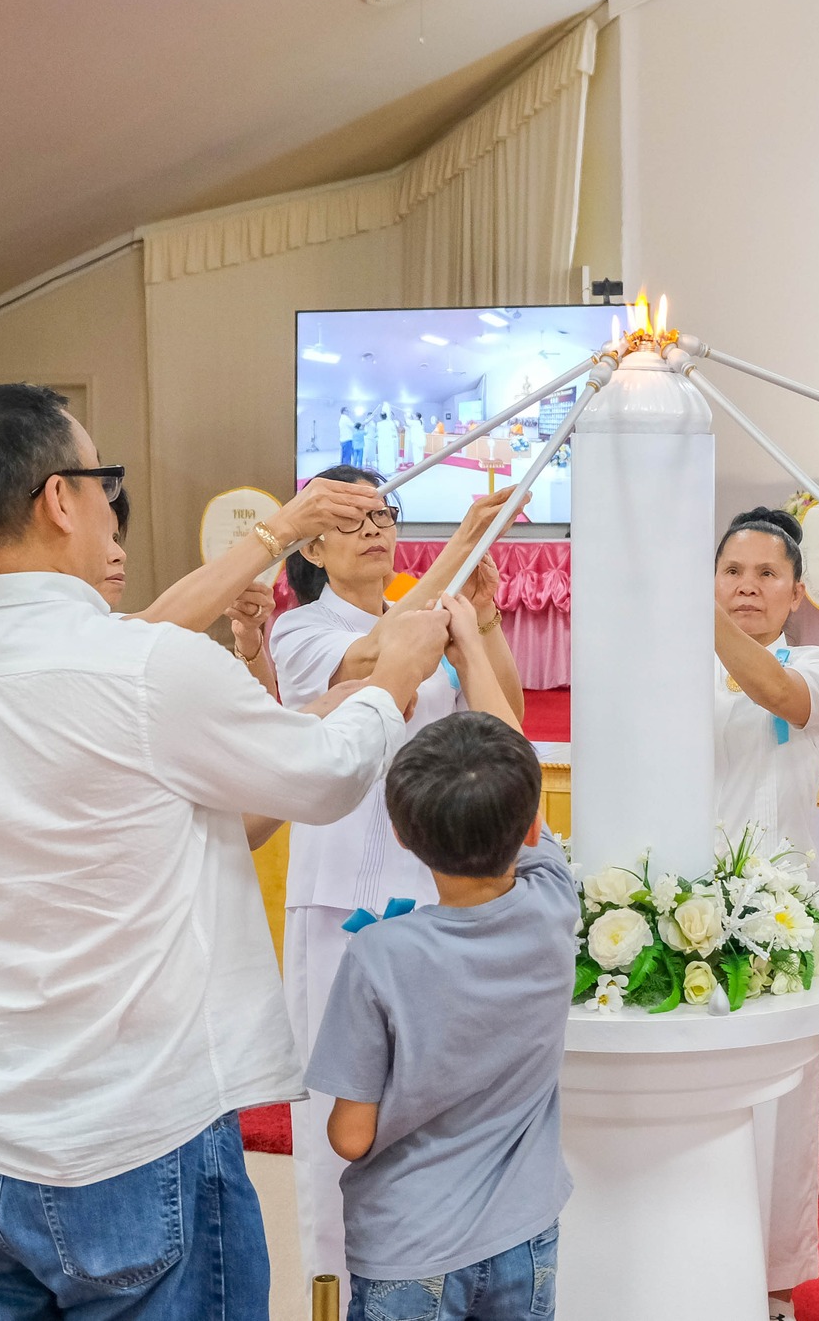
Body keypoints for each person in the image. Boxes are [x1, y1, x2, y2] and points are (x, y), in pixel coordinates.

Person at [0, 384, 453, 1321]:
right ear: (59, 499)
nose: (112, 510)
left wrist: (321, 661)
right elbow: (322, 779)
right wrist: (394, 674)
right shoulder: (144, 670)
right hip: (142, 1133)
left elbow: (134, 721)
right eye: (105, 482)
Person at [269, 464, 528, 1287]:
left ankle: (436, 1272)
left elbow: (504, 719)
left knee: (431, 1098)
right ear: (311, 542)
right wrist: (457, 551)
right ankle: (338, 1284)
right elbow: (377, 658)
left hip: (435, 895)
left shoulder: (433, 615)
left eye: (385, 513)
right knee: (338, 1109)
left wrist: (481, 623)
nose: (377, 528)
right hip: (338, 898)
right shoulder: (300, 632)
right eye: (352, 519)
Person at [307, 594, 574, 1321]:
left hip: (407, 1243)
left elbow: (352, 1134)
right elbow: (524, 780)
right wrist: (474, 652)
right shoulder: (553, 905)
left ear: (399, 831)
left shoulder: (380, 954)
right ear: (526, 828)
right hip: (526, 1235)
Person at [709, 507, 819, 1317]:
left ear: (796, 592)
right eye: (733, 572)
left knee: (784, 1107)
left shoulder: (818, 663)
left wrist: (696, 620)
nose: (748, 587)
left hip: (785, 920)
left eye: (766, 575)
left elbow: (774, 689)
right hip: (683, 912)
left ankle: (772, 1285)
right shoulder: (676, 666)